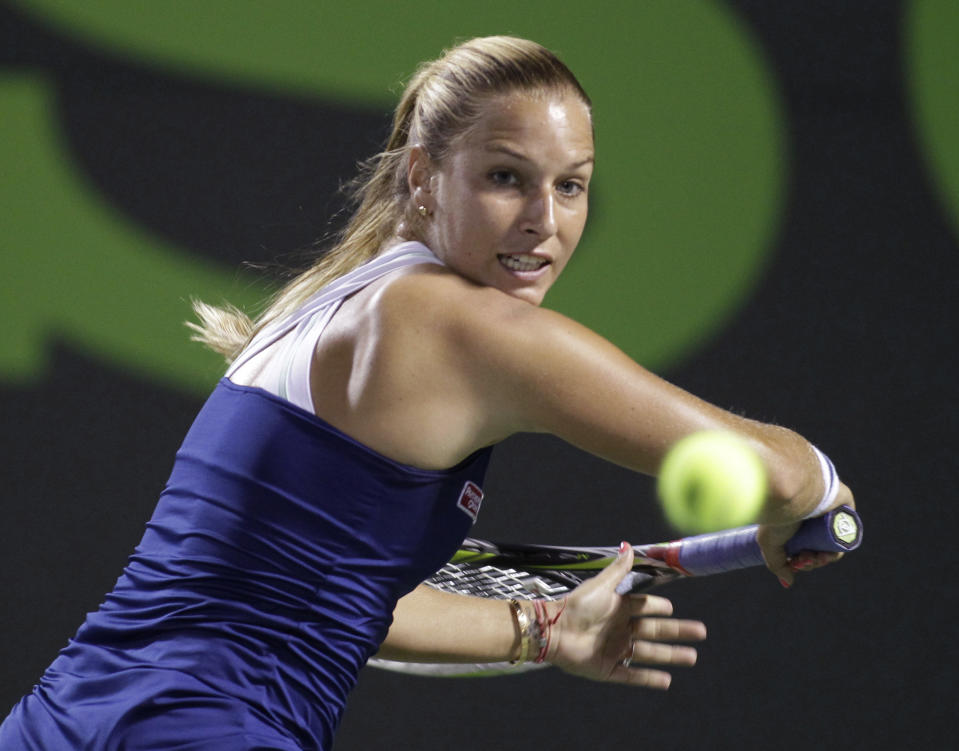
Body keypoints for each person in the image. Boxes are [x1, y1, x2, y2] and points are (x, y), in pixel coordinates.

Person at [0, 35, 853, 751]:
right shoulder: (467, 330)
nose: (543, 222)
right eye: (506, 178)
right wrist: (816, 487)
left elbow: (339, 596)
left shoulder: (326, 302)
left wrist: (547, 629)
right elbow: (775, 476)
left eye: (571, 184)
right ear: (421, 176)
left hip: (59, 720)